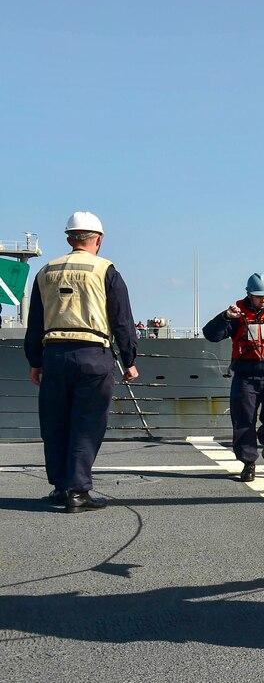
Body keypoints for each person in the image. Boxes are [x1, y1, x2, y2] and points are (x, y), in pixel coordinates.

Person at [24, 211, 139, 512]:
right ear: (98, 239)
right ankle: (77, 491)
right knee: (87, 423)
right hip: (93, 355)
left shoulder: (45, 271)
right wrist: (129, 360)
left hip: (54, 354)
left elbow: (34, 323)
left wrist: (36, 361)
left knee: (56, 422)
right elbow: (122, 320)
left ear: (68, 238)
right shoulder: (106, 270)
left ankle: (61, 486)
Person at [202, 273, 264, 482]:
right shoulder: (237, 317)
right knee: (243, 420)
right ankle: (249, 462)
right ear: (248, 294)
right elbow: (210, 334)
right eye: (258, 296)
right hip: (245, 377)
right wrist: (225, 317)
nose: (262, 299)